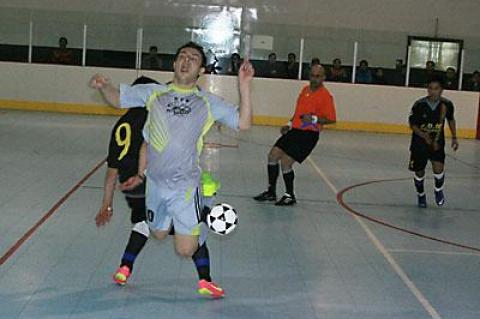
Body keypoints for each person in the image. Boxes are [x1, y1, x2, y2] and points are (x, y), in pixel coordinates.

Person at [90, 41, 254, 297]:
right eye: (182, 56)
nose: (186, 61)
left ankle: (197, 217)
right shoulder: (153, 92)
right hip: (155, 184)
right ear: (174, 63)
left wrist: (244, 85)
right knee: (157, 233)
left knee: (185, 250)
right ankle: (187, 218)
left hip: (185, 186)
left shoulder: (206, 101)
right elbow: (117, 99)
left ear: (200, 70)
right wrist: (104, 86)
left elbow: (243, 123)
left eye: (194, 58)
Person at [94, 75, 223, 297]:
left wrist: (106, 203)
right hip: (156, 180)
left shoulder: (120, 126)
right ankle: (205, 279)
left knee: (143, 223)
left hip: (130, 186)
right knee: (190, 225)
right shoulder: (158, 113)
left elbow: (111, 170)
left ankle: (125, 267)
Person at [254, 64, 336, 205]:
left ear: (323, 78)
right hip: (295, 131)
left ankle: (289, 195)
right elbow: (298, 112)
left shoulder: (326, 96)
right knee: (273, 155)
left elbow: (332, 119)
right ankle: (271, 192)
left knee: (286, 161)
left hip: (309, 134)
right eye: (312, 75)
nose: (314, 79)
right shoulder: (305, 90)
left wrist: (314, 119)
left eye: (317, 76)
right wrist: (289, 124)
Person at [408, 77, 459, 208]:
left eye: (436, 89)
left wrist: (454, 137)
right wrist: (424, 136)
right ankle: (421, 195)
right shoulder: (419, 105)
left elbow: (451, 120)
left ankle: (438, 190)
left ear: (441, 90)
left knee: (439, 168)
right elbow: (413, 125)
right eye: (430, 88)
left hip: (437, 142)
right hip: (419, 143)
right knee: (419, 171)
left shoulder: (446, 104)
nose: (432, 91)